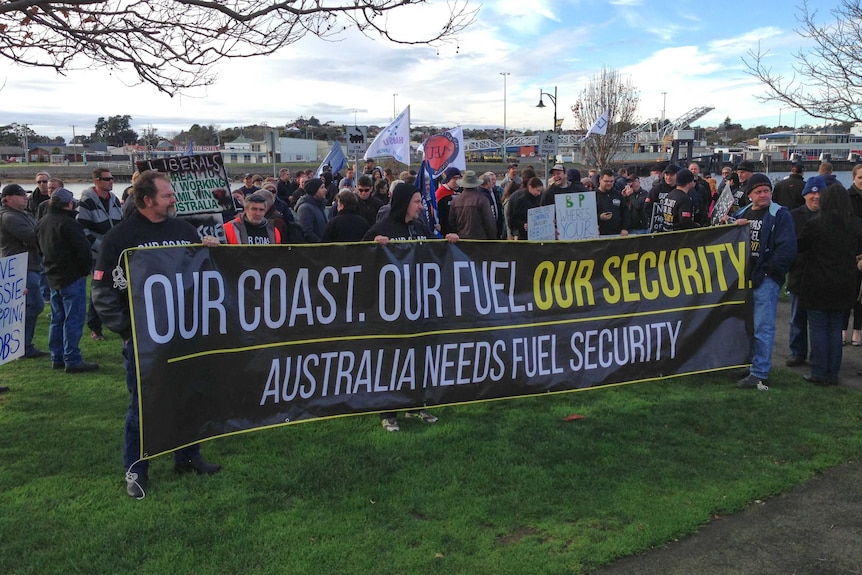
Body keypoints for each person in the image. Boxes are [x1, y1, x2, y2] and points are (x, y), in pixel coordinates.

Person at [92, 170, 222, 499]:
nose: (174, 199)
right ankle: (136, 470)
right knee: (144, 405)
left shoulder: (185, 229)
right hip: (145, 343)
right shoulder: (120, 237)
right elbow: (103, 293)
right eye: (167, 195)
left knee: (189, 397)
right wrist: (126, 332)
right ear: (148, 200)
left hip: (186, 334)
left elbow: (208, 278)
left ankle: (188, 456)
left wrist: (215, 251)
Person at [362, 182, 458, 431]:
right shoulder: (382, 228)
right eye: (416, 201)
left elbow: (433, 253)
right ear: (405, 203)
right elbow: (358, 259)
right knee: (392, 359)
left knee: (419, 356)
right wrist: (373, 245)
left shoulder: (419, 227)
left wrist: (448, 243)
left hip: (418, 304)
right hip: (391, 307)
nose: (420, 206)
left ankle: (416, 405)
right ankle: (388, 412)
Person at [730, 173, 797, 390]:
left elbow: (787, 248)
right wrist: (732, 227)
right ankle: (752, 364)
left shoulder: (780, 215)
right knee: (748, 327)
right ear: (749, 195)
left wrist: (769, 272)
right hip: (746, 279)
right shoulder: (742, 213)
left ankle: (759, 373)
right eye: (758, 192)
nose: (763, 195)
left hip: (765, 280)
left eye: (766, 190)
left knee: (762, 327)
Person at [797, 183, 862, 385]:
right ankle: (832, 372)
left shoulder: (816, 224)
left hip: (818, 281)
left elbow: (801, 246)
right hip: (845, 282)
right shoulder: (856, 224)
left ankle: (819, 371)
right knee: (835, 328)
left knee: (818, 327)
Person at [35, 188, 99, 373]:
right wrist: (84, 271)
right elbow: (83, 251)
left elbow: (39, 250)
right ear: (68, 204)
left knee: (57, 319)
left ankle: (57, 357)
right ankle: (72, 359)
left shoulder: (42, 222)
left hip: (53, 276)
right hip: (72, 277)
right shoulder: (69, 223)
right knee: (73, 319)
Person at [0, 184, 46, 359]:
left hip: (29, 265)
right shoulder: (9, 217)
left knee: (30, 305)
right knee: (33, 305)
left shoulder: (21, 214)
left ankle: (23, 345)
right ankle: (22, 346)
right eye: (20, 195)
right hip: (19, 268)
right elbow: (33, 237)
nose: (25, 197)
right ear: (8, 198)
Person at [77, 168, 123, 341]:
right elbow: (82, 229)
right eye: (107, 179)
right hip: (98, 255)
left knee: (119, 286)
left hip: (115, 253)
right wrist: (101, 247)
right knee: (98, 289)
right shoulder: (87, 202)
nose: (111, 181)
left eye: (112, 178)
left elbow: (121, 223)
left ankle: (119, 323)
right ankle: (95, 328)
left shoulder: (115, 200)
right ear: (97, 181)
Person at [785, 176, 823, 367]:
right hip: (799, 272)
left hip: (821, 274)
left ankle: (818, 355)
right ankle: (797, 352)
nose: (816, 196)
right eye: (812, 192)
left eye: (819, 193)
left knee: (818, 321)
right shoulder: (793, 216)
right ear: (805, 194)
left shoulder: (829, 216)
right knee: (797, 317)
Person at [448, 171, 497, 240]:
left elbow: (452, 223)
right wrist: (492, 240)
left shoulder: (455, 201)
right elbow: (489, 223)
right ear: (476, 184)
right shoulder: (482, 200)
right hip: (480, 241)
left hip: (461, 242)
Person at [846, 164, 862, 346]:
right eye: (861, 178)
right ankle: (843, 330)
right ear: (854, 178)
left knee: (861, 297)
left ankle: (857, 330)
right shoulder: (846, 197)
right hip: (850, 252)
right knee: (848, 293)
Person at [595, 169, 630, 236]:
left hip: (617, 234)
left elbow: (625, 212)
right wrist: (599, 217)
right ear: (600, 180)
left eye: (611, 181)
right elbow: (588, 216)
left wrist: (625, 228)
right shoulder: (593, 196)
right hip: (600, 235)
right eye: (606, 181)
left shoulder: (618, 195)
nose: (609, 183)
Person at [295, 177, 328, 242]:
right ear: (314, 190)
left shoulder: (319, 205)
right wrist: (320, 244)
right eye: (322, 187)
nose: (325, 190)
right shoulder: (305, 208)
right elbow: (307, 232)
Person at [435, 167, 462, 236]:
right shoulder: (440, 193)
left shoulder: (462, 191)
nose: (457, 180)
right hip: (446, 230)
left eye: (459, 178)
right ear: (449, 179)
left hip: (460, 228)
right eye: (455, 178)